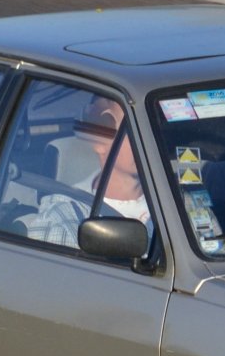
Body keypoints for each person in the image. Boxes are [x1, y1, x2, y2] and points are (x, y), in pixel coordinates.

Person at [23, 95, 151, 247]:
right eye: (134, 129)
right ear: (99, 142)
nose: (149, 140)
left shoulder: (179, 196)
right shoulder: (66, 219)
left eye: (153, 128)